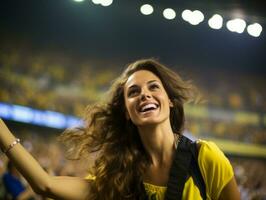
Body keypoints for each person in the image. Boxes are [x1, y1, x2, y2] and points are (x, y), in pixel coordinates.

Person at [0, 58, 240, 199]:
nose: (144, 94)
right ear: (127, 111)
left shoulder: (205, 157)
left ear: (170, 100)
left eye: (153, 87)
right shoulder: (117, 175)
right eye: (134, 92)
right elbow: (45, 185)